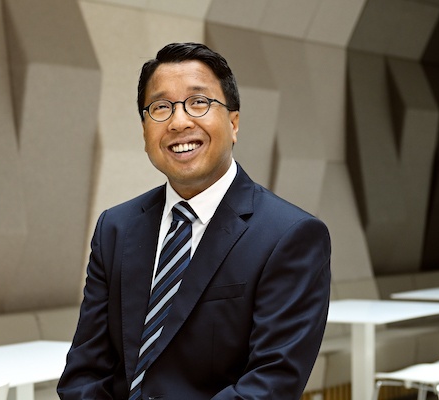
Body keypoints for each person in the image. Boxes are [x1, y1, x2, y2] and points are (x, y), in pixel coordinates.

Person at [57, 42, 332, 399]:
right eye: (161, 107)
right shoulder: (115, 228)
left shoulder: (290, 235)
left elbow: (270, 384)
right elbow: (85, 372)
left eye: (198, 102)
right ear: (144, 130)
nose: (179, 122)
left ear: (233, 123)